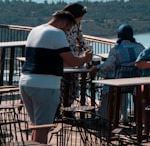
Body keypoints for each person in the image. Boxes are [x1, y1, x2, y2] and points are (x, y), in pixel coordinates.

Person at [19, 10, 94, 143]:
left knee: (36, 126)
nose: (66, 33)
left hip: (26, 82)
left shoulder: (35, 30)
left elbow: (60, 60)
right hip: (44, 86)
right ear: (64, 23)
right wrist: (85, 58)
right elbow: (71, 61)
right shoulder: (57, 33)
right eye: (67, 29)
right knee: (43, 128)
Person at [97, 24, 145, 120]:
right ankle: (125, 117)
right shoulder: (140, 47)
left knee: (110, 84)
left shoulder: (116, 50)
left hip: (120, 83)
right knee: (124, 88)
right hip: (136, 84)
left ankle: (104, 117)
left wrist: (97, 68)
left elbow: (108, 66)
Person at [61, 2, 91, 107]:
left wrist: (88, 50)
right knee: (62, 85)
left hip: (74, 58)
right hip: (63, 57)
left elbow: (81, 39)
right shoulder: (61, 26)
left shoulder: (77, 25)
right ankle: (59, 108)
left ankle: (69, 106)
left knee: (73, 84)